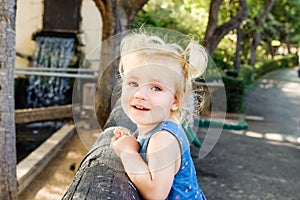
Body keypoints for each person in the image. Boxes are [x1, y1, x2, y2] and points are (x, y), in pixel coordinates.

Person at [110, 31, 208, 200]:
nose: (140, 94)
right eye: (133, 83)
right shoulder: (153, 131)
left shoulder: (162, 138)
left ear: (175, 101)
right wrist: (132, 144)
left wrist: (127, 152)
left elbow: (155, 194)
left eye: (156, 88)